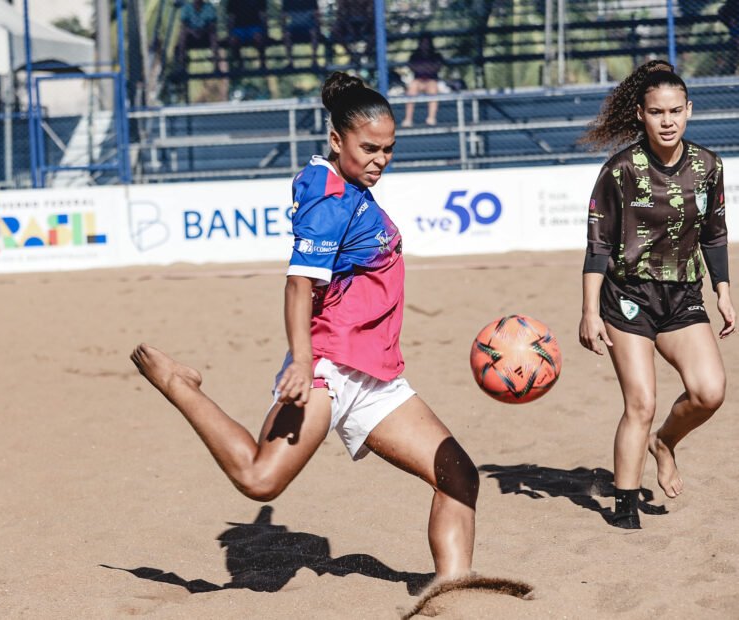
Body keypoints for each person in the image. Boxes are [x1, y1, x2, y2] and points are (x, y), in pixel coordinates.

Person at [131, 71, 479, 581]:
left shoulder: (349, 188)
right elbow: (298, 283)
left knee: (458, 476)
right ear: (337, 139)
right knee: (260, 480)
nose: (380, 159)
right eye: (369, 148)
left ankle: (453, 590)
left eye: (389, 149)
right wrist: (301, 359)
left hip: (374, 372)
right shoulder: (329, 199)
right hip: (330, 366)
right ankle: (180, 385)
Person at [578, 60, 736, 530]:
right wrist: (589, 312)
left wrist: (723, 292)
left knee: (710, 392)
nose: (667, 121)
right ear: (641, 115)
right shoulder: (620, 170)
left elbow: (715, 234)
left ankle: (664, 443)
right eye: (656, 112)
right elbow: (598, 245)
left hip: (684, 297)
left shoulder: (709, 166)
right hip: (628, 297)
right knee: (641, 403)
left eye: (675, 111)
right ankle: (625, 506)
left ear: (689, 110)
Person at [401, 35, 444, 128]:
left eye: (427, 43)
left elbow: (436, 68)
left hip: (431, 80)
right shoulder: (414, 56)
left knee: (433, 88)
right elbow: (413, 67)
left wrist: (423, 68)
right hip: (418, 80)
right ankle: (408, 119)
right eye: (423, 43)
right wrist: (426, 67)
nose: (425, 45)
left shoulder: (436, 56)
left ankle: (431, 118)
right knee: (412, 86)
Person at [175, 0, 221, 73]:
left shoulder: (209, 7)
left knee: (213, 34)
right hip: (191, 35)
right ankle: (181, 65)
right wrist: (192, 31)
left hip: (206, 34)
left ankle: (216, 65)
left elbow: (212, 25)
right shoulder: (186, 8)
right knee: (182, 34)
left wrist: (203, 31)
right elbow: (184, 25)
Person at [225, 0, 267, 70]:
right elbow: (231, 17)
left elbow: (262, 14)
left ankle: (262, 62)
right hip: (238, 28)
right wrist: (230, 34)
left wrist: (265, 32)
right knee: (233, 40)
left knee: (259, 37)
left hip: (255, 27)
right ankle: (239, 63)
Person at [281, 0, 321, 68]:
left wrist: (318, 28)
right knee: (287, 34)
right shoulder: (287, 1)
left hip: (308, 25)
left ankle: (314, 60)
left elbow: (316, 14)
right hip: (294, 26)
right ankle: (290, 62)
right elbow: (283, 16)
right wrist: (284, 30)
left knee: (314, 32)